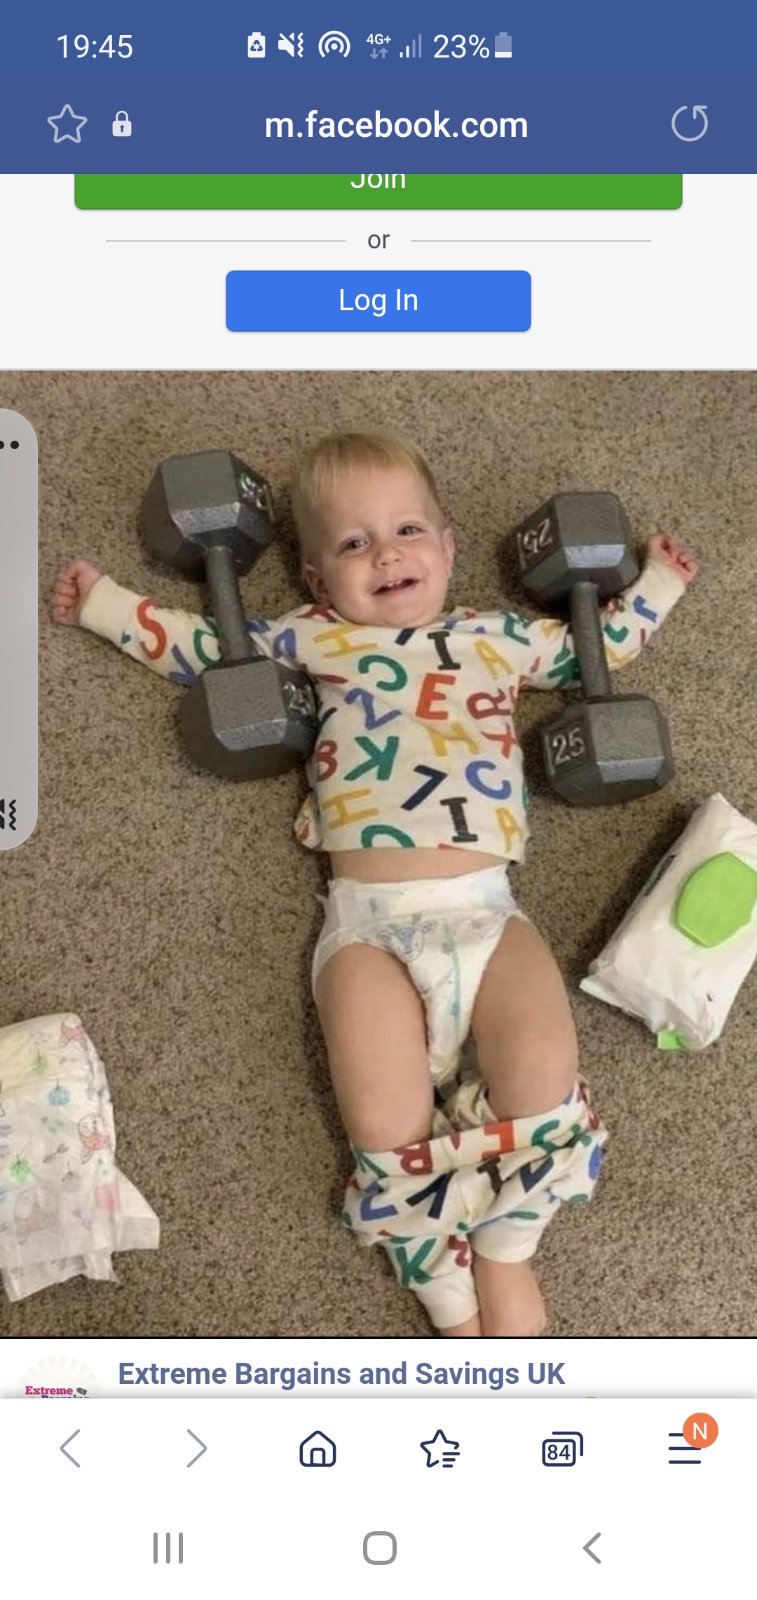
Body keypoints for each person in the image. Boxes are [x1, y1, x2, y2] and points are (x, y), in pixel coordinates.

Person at [51, 430, 698, 1337]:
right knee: (382, 1115)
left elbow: (598, 649)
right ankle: (440, 1281)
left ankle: (509, 1240)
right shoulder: (315, 636)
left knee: (545, 1068)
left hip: (487, 911)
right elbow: (210, 651)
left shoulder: (498, 638)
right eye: (354, 544)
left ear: (447, 545)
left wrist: (657, 585)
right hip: (366, 929)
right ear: (317, 580)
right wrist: (107, 606)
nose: (385, 554)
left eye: (405, 531)